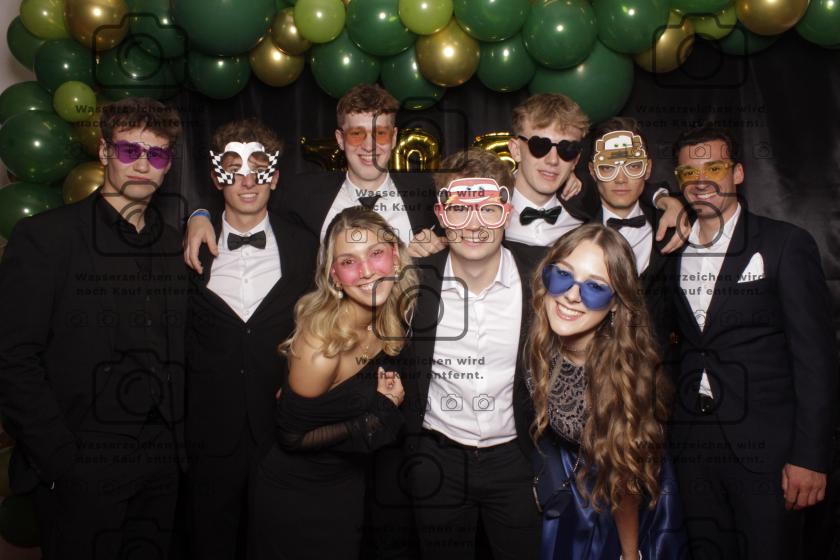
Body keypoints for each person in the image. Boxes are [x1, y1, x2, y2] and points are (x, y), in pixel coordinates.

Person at [0, 97, 188, 558]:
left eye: (156, 154)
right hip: (81, 460)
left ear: (167, 166)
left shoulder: (174, 247)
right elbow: (12, 357)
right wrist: (60, 459)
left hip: (162, 460)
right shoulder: (46, 237)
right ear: (104, 152)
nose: (142, 165)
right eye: (129, 151)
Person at [669, 126, 837, 560]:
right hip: (693, 447)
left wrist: (811, 457)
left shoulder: (784, 244)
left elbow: (816, 359)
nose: (700, 180)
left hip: (768, 451)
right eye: (688, 172)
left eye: (714, 168)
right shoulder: (671, 250)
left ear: (738, 172)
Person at [250, 207, 417, 560]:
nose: (367, 271)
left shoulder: (391, 317)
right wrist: (381, 412)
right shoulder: (321, 345)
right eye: (349, 261)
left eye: (376, 253)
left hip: (349, 489)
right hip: (294, 497)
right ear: (334, 276)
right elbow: (292, 438)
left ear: (395, 256)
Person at [398, 148, 542, 559]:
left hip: (517, 458)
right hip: (436, 457)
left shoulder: (542, 276)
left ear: (507, 213)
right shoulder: (414, 282)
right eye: (460, 209)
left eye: (488, 209)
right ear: (441, 215)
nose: (475, 225)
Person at [185, 118, 317, 560]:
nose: (247, 181)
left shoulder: (305, 245)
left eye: (259, 169)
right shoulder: (185, 247)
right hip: (209, 436)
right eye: (233, 170)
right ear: (215, 177)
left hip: (283, 434)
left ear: (275, 177)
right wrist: (196, 214)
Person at [525, 223, 684, 559]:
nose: (571, 295)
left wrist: (629, 553)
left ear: (615, 303)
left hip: (605, 511)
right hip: (550, 500)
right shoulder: (535, 340)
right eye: (563, 275)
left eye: (595, 287)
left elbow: (625, 487)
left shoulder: (622, 377)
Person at [183, 84, 440, 272]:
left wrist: (442, 244)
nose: (369, 146)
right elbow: (245, 197)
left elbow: (461, 236)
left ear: (393, 138)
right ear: (340, 139)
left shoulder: (428, 192)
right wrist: (199, 215)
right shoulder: (302, 193)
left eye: (380, 133)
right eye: (357, 134)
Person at [505, 94, 689, 266]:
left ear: (576, 160)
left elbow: (632, 187)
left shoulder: (582, 202)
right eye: (539, 145)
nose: (553, 160)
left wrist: (665, 200)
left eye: (566, 149)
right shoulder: (490, 201)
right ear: (515, 149)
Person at [587, 117, 676, 348]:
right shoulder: (575, 229)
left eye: (633, 166)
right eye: (608, 167)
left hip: (661, 364)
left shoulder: (673, 225)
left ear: (648, 169)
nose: (620, 178)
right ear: (593, 171)